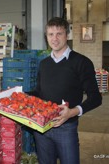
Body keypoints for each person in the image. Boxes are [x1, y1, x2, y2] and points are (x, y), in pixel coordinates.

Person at [31, 17, 102, 164]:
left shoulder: (81, 62)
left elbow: (96, 97)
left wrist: (72, 112)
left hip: (66, 129)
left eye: (59, 34)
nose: (54, 38)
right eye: (51, 34)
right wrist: (17, 95)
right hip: (42, 127)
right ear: (46, 37)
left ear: (67, 35)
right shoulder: (44, 64)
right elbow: (39, 92)